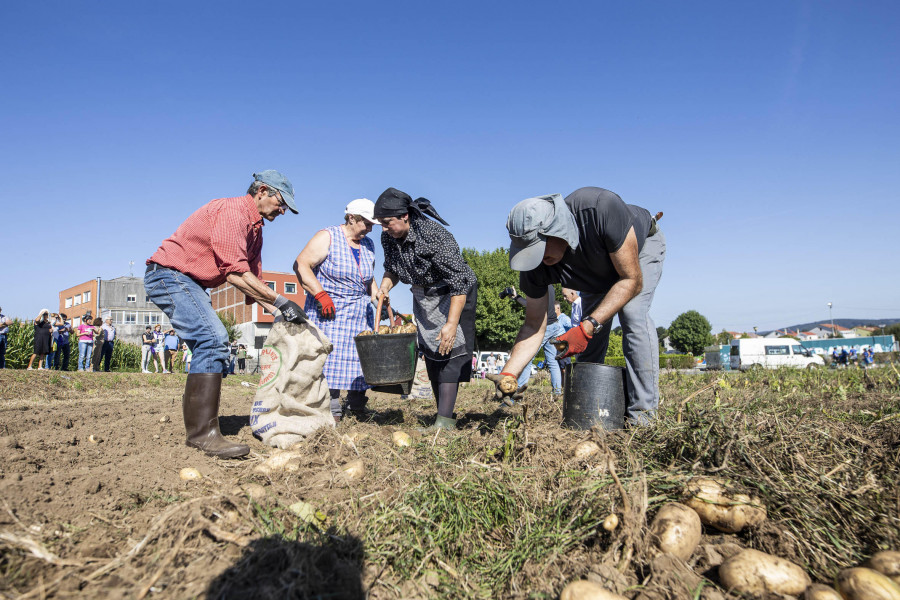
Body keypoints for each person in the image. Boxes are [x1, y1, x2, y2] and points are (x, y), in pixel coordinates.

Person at [144, 170, 307, 459]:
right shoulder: (233, 212)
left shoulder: (255, 229)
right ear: (262, 191)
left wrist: (280, 314)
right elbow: (235, 274)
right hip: (170, 276)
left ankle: (199, 427)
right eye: (281, 203)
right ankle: (202, 434)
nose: (282, 211)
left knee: (210, 343)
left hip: (190, 283)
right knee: (213, 339)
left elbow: (252, 285)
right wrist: (282, 301)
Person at [494, 188, 665, 425]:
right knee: (590, 340)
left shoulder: (598, 209)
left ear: (556, 230)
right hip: (595, 276)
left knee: (633, 315)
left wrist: (588, 324)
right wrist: (509, 373)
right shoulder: (535, 267)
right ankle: (588, 412)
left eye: (539, 249)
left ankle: (643, 418)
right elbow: (534, 326)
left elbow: (630, 280)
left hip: (638, 251)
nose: (538, 260)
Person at [375, 188, 478, 431]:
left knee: (449, 351)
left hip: (454, 293)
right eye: (380, 223)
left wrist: (451, 324)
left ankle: (444, 423)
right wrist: (385, 286)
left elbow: (459, 281)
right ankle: (442, 417)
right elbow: (393, 269)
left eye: (387, 222)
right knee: (432, 353)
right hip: (423, 295)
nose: (383, 228)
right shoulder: (388, 237)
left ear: (405, 217)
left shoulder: (433, 235)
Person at [294, 198, 380, 422]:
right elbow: (302, 264)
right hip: (330, 312)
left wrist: (379, 298)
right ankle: (330, 408)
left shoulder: (368, 244)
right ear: (352, 218)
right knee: (329, 361)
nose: (370, 228)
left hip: (359, 312)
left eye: (372, 225)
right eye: (366, 223)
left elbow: (368, 280)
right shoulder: (328, 236)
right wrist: (321, 295)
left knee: (361, 359)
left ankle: (358, 406)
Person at [502, 285, 563, 396]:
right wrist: (517, 297)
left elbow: (532, 307)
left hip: (544, 326)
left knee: (527, 358)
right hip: (554, 324)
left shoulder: (535, 285)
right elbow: (532, 306)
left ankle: (518, 393)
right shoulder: (549, 286)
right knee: (553, 362)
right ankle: (557, 392)